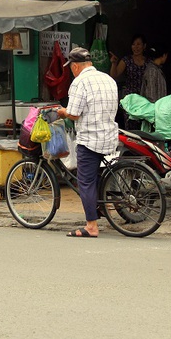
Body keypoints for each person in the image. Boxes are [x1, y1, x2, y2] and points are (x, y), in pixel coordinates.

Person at [57, 47, 119, 238]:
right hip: (109, 137)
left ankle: (91, 226)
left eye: (71, 67)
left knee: (85, 182)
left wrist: (62, 111)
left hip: (90, 139)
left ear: (75, 66)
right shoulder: (109, 79)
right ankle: (98, 210)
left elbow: (74, 114)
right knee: (98, 177)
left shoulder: (79, 82)